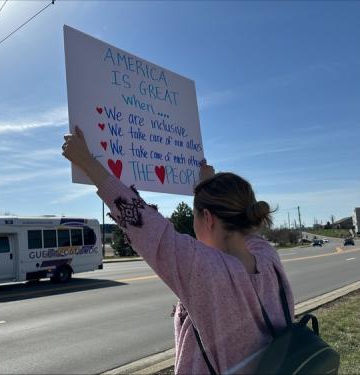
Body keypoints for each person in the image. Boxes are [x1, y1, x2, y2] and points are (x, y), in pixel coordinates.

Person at [62, 126, 294, 374]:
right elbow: (240, 231)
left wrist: (87, 162)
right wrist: (207, 187)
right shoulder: (267, 257)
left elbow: (146, 225)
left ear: (208, 218)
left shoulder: (206, 270)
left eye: (195, 215)